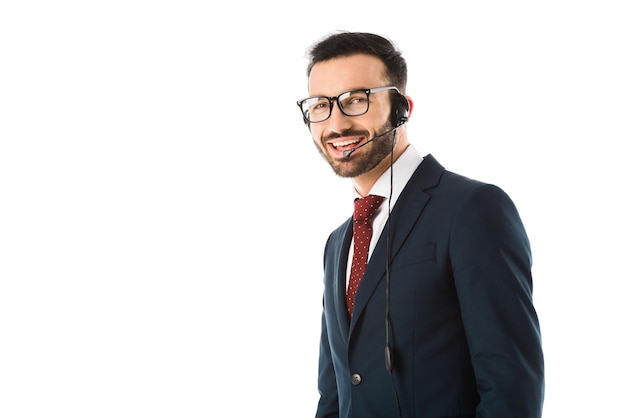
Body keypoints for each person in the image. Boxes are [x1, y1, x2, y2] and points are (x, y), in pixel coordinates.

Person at [296, 31, 545, 418]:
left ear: (402, 108)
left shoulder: (473, 209)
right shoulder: (337, 243)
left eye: (355, 100)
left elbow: (511, 390)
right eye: (320, 106)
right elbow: (334, 396)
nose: (336, 123)